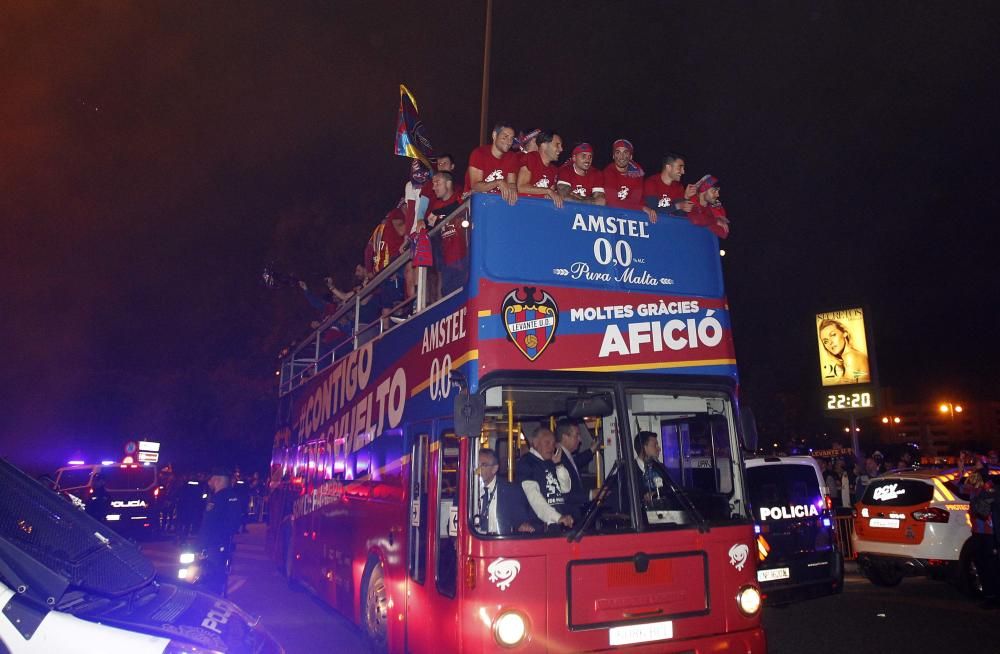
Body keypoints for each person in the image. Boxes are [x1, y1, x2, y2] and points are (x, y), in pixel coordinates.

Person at [196, 467, 244, 596]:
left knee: (213, 577)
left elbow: (226, 523)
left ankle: (213, 600)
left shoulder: (223, 497)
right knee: (211, 576)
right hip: (215, 545)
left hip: (215, 546)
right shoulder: (225, 496)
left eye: (210, 479)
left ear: (216, 480)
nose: (208, 483)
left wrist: (207, 543)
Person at [515, 427, 574, 529]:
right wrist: (557, 517)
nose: (551, 447)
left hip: (559, 524)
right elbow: (534, 496)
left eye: (553, 444)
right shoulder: (526, 463)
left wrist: (559, 465)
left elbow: (566, 488)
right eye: (547, 443)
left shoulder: (552, 462)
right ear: (535, 443)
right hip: (540, 527)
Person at [959, 454, 998, 606]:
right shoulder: (978, 478)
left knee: (989, 564)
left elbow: (963, 487)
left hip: (988, 530)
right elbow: (963, 487)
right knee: (982, 563)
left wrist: (963, 471)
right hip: (979, 530)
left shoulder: (985, 479)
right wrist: (962, 469)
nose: (973, 464)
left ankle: (992, 596)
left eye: (976, 462)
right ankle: (990, 596)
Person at [476, 448, 537, 535]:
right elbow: (453, 523)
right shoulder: (466, 491)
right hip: (474, 542)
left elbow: (521, 521)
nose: (478, 470)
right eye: (476, 465)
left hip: (501, 542)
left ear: (495, 468)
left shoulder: (511, 491)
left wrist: (522, 525)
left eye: (483, 465)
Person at [425, 171, 467, 296]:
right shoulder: (436, 205)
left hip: (464, 255)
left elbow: (458, 206)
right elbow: (431, 227)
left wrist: (438, 213)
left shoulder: (459, 196)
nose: (434, 188)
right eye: (433, 184)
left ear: (448, 183)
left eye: (437, 183)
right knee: (447, 293)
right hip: (447, 260)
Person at [466, 122, 520, 206]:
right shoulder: (479, 154)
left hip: (497, 203)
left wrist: (513, 190)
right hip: (474, 203)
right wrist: (498, 182)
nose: (509, 142)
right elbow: (476, 185)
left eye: (511, 138)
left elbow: (511, 183)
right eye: (505, 137)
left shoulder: (511, 157)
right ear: (494, 135)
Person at [603, 138, 657, 221]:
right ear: (613, 156)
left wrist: (641, 207)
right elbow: (612, 202)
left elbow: (636, 200)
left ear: (631, 156)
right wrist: (642, 208)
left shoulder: (637, 173)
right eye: (618, 152)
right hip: (611, 216)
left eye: (625, 152)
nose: (621, 156)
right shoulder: (608, 172)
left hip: (632, 216)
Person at [554, 419, 598, 519]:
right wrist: (591, 494)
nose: (580, 439)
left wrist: (592, 450)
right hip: (567, 515)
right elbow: (564, 494)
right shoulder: (557, 457)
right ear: (565, 437)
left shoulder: (566, 455)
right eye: (576, 435)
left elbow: (576, 463)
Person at [516, 129, 563, 206]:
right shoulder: (531, 158)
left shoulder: (554, 170)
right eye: (557, 145)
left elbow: (551, 194)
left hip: (540, 209)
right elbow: (521, 187)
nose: (561, 149)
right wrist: (548, 191)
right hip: (523, 207)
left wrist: (551, 194)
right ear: (544, 145)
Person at [818, 319, 871, 384]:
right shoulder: (852, 355)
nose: (830, 342)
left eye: (833, 335)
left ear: (845, 333)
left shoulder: (850, 357)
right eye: (825, 341)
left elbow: (846, 390)